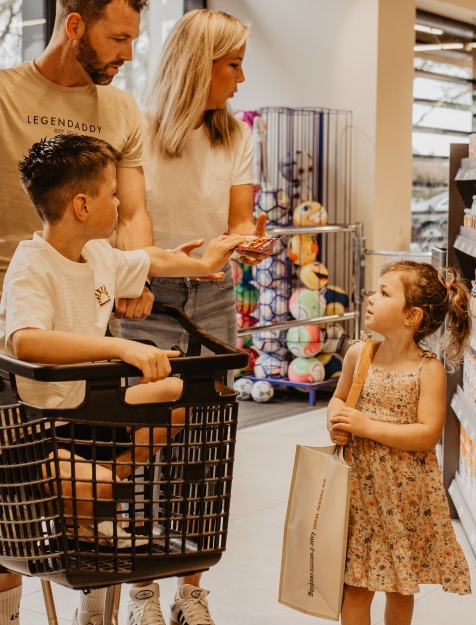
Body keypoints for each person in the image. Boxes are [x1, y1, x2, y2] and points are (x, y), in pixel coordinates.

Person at [0, 1, 153, 623]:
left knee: (94, 480)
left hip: (86, 327)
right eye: (118, 37)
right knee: (2, 496)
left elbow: (132, 212)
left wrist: (134, 275)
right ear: (75, 25)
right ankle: (7, 618)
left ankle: (95, 612)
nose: (128, 53)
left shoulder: (122, 109)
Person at [0, 133, 244, 545]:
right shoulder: (31, 266)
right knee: (99, 488)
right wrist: (121, 346)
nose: (120, 202)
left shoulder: (97, 254)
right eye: (112, 193)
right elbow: (27, 342)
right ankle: (91, 503)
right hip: (30, 430)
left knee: (182, 394)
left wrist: (202, 265)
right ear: (82, 206)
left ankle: (97, 490)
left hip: (85, 415)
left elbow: (151, 259)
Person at [113, 10, 269, 625]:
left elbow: (238, 220)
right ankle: (142, 592)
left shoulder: (236, 136)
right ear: (197, 65)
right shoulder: (135, 126)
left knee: (206, 443)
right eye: (233, 64)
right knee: (142, 444)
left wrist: (246, 241)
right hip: (147, 300)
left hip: (213, 298)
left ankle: (191, 590)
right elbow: (127, 218)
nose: (241, 77)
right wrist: (136, 275)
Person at [327, 261, 473, 625]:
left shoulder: (428, 369)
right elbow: (339, 398)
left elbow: (427, 434)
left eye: (384, 293)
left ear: (412, 316)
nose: (371, 298)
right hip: (360, 492)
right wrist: (335, 421)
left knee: (400, 586)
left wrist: (366, 426)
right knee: (355, 587)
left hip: (406, 497)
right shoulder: (359, 354)